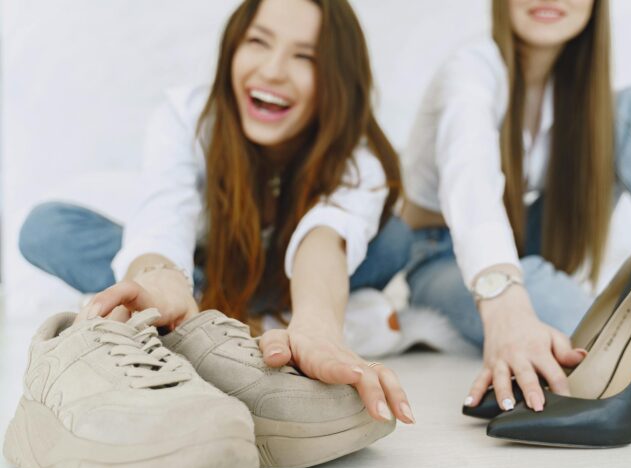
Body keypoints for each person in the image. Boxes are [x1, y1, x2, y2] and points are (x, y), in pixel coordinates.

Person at [19, 0, 415, 425]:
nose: (273, 70)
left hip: (295, 280)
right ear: (232, 48)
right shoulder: (187, 116)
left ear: (338, 79)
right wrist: (159, 280)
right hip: (197, 270)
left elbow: (324, 239)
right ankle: (220, 316)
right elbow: (163, 211)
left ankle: (218, 320)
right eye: (259, 42)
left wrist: (317, 329)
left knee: (393, 240)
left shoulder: (358, 155)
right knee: (48, 227)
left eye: (306, 57)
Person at [400, 0, 631, 415]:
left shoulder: (577, 85)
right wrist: (505, 301)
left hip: (522, 239)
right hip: (439, 256)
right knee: (613, 334)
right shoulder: (470, 72)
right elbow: (471, 183)